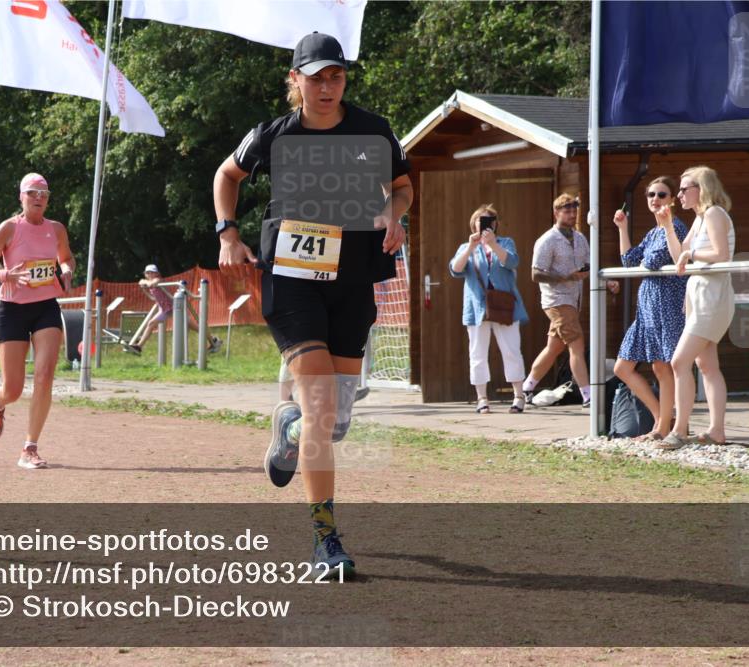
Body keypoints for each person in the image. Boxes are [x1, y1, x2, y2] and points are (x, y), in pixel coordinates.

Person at [213, 32, 412, 577]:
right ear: (295, 81)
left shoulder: (374, 129)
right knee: (323, 411)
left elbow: (402, 185)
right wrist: (227, 233)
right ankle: (325, 539)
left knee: (333, 422)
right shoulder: (273, 135)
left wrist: (395, 214)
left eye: (336, 76)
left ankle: (289, 431)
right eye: (316, 77)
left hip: (354, 279)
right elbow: (226, 174)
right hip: (293, 281)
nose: (327, 87)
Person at [0, 173, 75, 469]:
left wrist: (66, 270)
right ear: (22, 197)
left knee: (45, 375)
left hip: (46, 306)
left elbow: (67, 257)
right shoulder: (9, 228)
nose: (39, 198)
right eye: (32, 193)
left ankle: (29, 448)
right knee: (13, 389)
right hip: (13, 308)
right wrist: (6, 275)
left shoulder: (56, 229)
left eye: (44, 193)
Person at [658, 166, 736, 450]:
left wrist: (691, 254)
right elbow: (680, 256)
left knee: (680, 361)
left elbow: (720, 254)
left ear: (701, 189)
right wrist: (667, 227)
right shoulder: (700, 218)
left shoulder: (714, 213)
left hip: (712, 296)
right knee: (706, 365)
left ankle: (678, 430)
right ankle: (717, 430)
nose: (678, 195)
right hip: (700, 296)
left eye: (684, 189)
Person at [612, 176, 689, 440]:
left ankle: (662, 427)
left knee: (662, 367)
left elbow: (653, 261)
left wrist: (644, 260)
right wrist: (622, 229)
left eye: (662, 195)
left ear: (672, 200)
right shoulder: (653, 232)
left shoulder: (675, 227)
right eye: (651, 195)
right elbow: (630, 261)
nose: (655, 199)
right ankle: (661, 418)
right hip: (647, 307)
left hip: (666, 305)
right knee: (622, 368)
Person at [448, 204, 529, 413]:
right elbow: (455, 269)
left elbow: (511, 262)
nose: (483, 224)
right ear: (473, 223)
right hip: (476, 308)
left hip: (504, 306)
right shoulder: (465, 247)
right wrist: (469, 248)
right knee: (477, 353)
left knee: (511, 350)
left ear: (494, 225)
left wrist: (493, 245)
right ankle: (482, 398)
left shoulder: (506, 242)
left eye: (488, 221)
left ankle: (519, 396)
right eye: (479, 220)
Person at [523, 194, 593, 407]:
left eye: (574, 211)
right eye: (567, 211)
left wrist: (590, 275)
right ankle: (588, 395)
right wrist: (564, 277)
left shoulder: (580, 238)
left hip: (574, 299)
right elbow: (536, 274)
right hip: (556, 300)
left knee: (554, 347)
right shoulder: (547, 240)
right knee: (577, 345)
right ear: (557, 213)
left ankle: (527, 387)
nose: (572, 215)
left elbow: (588, 264)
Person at [129, 264, 221, 355]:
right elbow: (153, 298)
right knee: (151, 324)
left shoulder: (158, 280)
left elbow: (152, 283)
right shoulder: (149, 285)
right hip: (164, 310)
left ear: (157, 273)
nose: (150, 275)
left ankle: (213, 341)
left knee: (196, 328)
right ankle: (139, 346)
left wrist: (144, 282)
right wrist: (144, 289)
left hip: (176, 308)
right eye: (147, 273)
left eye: (152, 273)